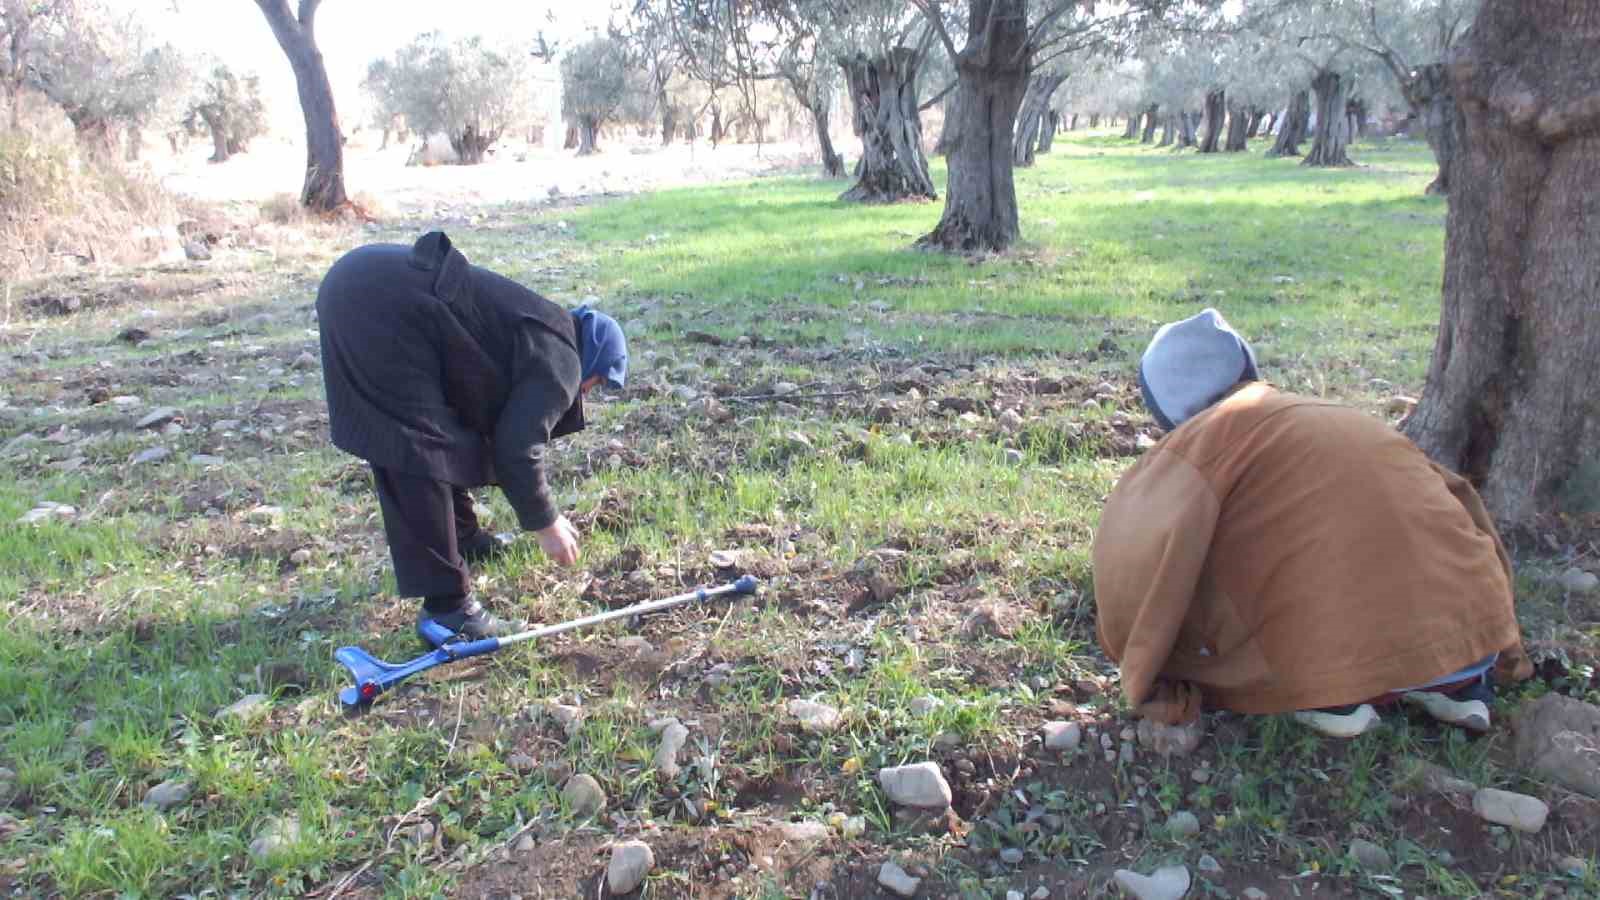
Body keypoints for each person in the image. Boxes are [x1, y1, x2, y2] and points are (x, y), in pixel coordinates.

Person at [1092, 308, 1531, 738]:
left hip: (1345, 668)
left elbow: (1131, 557)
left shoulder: (1197, 446)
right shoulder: (1336, 415)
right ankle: (1462, 685)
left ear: (1167, 406)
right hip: (1474, 640)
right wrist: (1502, 640)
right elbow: (1460, 499)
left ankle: (1339, 700)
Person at [316, 231, 627, 642]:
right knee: (414, 446)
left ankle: (464, 539)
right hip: (377, 304)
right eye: (597, 382)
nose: (585, 393)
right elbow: (518, 446)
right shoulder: (563, 359)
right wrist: (546, 521)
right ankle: (448, 610)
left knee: (442, 434)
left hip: (364, 286)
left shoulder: (542, 331)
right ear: (594, 357)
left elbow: (481, 425)